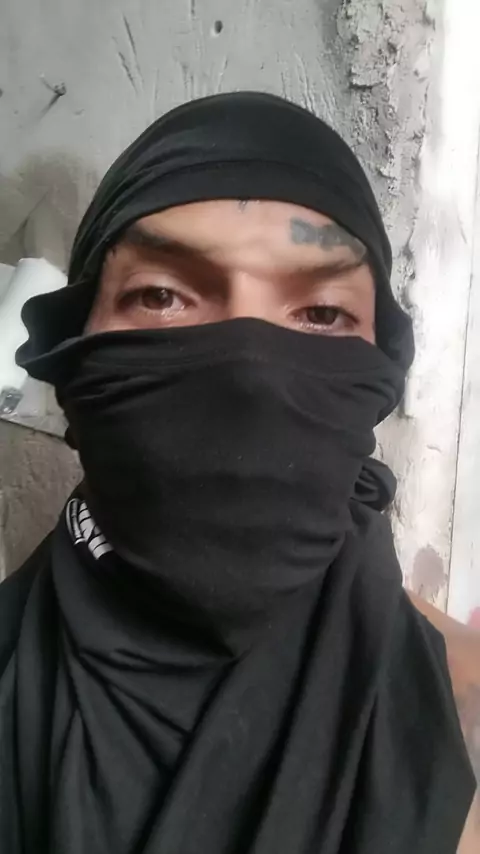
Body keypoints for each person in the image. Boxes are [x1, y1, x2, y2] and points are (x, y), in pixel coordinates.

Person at [0, 92, 478, 854]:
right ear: (73, 363)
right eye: (161, 296)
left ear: (381, 368)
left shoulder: (464, 701)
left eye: (321, 314)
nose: (249, 375)